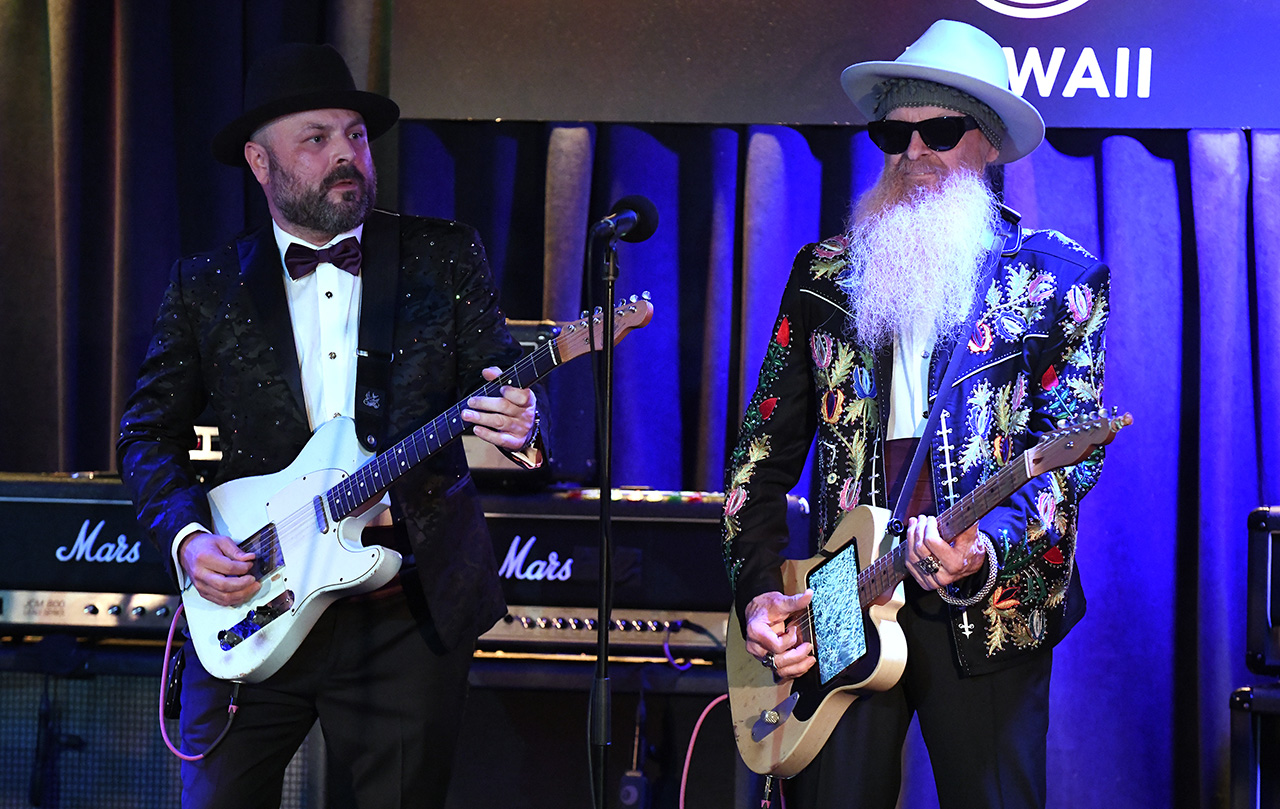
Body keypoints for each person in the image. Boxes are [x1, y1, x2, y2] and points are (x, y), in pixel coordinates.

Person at [117, 43, 540, 809]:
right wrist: (188, 538)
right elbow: (145, 434)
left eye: (355, 135)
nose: (346, 155)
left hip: (403, 611)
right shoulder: (205, 285)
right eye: (316, 138)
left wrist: (519, 425)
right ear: (259, 160)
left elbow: (498, 384)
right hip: (255, 592)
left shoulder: (442, 255)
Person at [722, 19, 1110, 809]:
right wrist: (760, 588)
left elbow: (1069, 463)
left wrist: (986, 549)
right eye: (894, 134)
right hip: (840, 594)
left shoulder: (1059, 278)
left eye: (939, 129)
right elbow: (758, 455)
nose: (915, 153)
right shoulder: (824, 275)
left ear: (990, 142)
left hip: (991, 607)